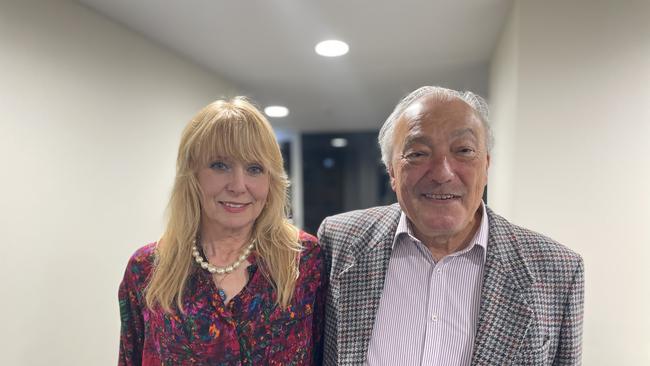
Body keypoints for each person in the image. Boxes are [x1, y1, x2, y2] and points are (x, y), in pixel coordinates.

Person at [318, 86, 584, 365]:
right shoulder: (339, 241)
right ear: (393, 172)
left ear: (486, 167)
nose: (443, 173)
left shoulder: (558, 271)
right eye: (419, 153)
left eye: (464, 151)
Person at [118, 97, 324, 365]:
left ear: (271, 180)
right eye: (220, 165)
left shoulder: (303, 260)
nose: (238, 186)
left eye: (254, 169)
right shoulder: (147, 268)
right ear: (192, 174)